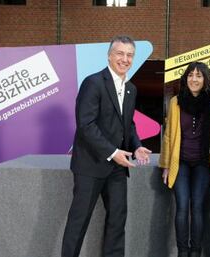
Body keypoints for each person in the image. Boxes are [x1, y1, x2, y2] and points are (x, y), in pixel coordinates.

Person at [62, 35, 151, 257]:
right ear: (109, 56)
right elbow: (86, 125)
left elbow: (127, 123)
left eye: (129, 55)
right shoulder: (93, 83)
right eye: (120, 53)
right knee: (78, 222)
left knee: (117, 221)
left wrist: (137, 145)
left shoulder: (130, 88)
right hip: (90, 166)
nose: (125, 59)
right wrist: (112, 152)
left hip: (117, 169)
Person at [159, 62, 210, 257]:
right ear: (185, 78)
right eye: (190, 75)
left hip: (204, 162)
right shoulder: (176, 102)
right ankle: (182, 251)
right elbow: (169, 135)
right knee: (182, 206)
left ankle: (195, 251)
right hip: (181, 162)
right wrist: (166, 165)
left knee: (197, 206)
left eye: (198, 76)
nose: (194, 79)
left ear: (205, 79)